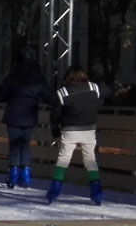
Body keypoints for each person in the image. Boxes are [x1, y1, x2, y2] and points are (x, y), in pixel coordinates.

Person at [46, 65, 112, 205]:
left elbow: (55, 114)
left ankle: (54, 190)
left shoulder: (63, 93)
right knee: (90, 161)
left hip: (70, 130)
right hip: (89, 130)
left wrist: (55, 128)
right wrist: (111, 86)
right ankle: (96, 192)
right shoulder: (93, 88)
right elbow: (107, 91)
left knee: (63, 159)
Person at [0, 45, 55, 188]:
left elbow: (2, 95)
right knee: (25, 144)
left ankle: (13, 175)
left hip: (13, 115)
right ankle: (25, 175)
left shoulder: (13, 75)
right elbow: (48, 96)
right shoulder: (38, 78)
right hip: (29, 115)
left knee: (14, 145)